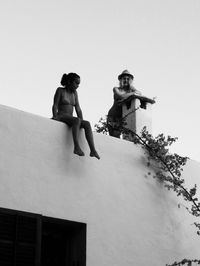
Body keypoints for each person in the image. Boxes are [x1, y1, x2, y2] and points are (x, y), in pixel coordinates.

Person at [52, 73, 100, 159]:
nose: (78, 86)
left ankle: (93, 150)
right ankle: (76, 147)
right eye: (76, 83)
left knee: (87, 123)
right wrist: (55, 116)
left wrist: (82, 121)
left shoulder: (75, 93)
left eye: (79, 84)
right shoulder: (60, 90)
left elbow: (78, 108)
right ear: (69, 82)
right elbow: (55, 105)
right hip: (61, 116)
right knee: (77, 120)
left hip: (70, 118)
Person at [107, 70, 141, 138]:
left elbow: (139, 93)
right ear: (121, 80)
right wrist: (133, 93)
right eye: (124, 78)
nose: (126, 80)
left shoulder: (131, 90)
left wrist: (132, 88)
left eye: (128, 79)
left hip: (122, 118)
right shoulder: (116, 89)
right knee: (114, 137)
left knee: (125, 138)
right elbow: (120, 96)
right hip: (113, 116)